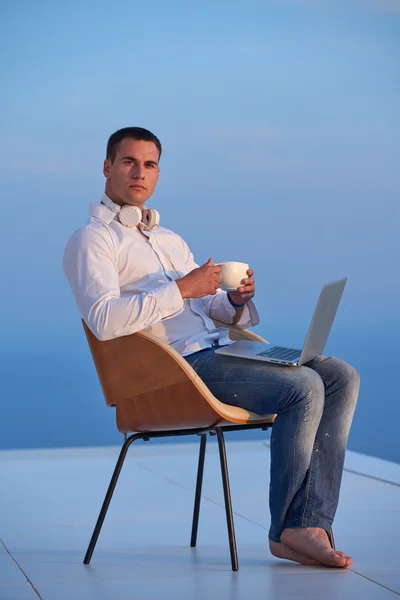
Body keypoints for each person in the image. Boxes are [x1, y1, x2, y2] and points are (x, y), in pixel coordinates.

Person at [63, 126, 360, 569]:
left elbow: (209, 307)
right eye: (128, 162)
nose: (138, 173)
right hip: (176, 371)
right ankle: (290, 531)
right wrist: (181, 288)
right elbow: (104, 321)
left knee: (339, 376)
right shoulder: (93, 240)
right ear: (107, 168)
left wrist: (235, 301)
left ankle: (310, 519)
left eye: (149, 165)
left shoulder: (170, 241)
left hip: (220, 353)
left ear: (158, 173)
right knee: (303, 387)